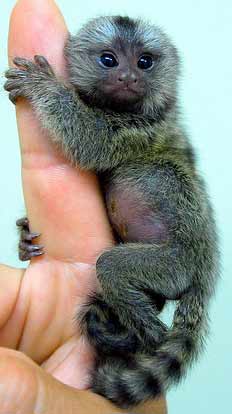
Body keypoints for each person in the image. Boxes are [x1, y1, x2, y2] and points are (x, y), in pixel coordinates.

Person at [0, 0, 167, 412]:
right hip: (105, 280)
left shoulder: (148, 127)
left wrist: (43, 89)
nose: (128, 74)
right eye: (109, 60)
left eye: (144, 62)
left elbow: (92, 146)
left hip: (145, 265)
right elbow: (91, 200)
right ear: (77, 61)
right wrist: (33, 225)